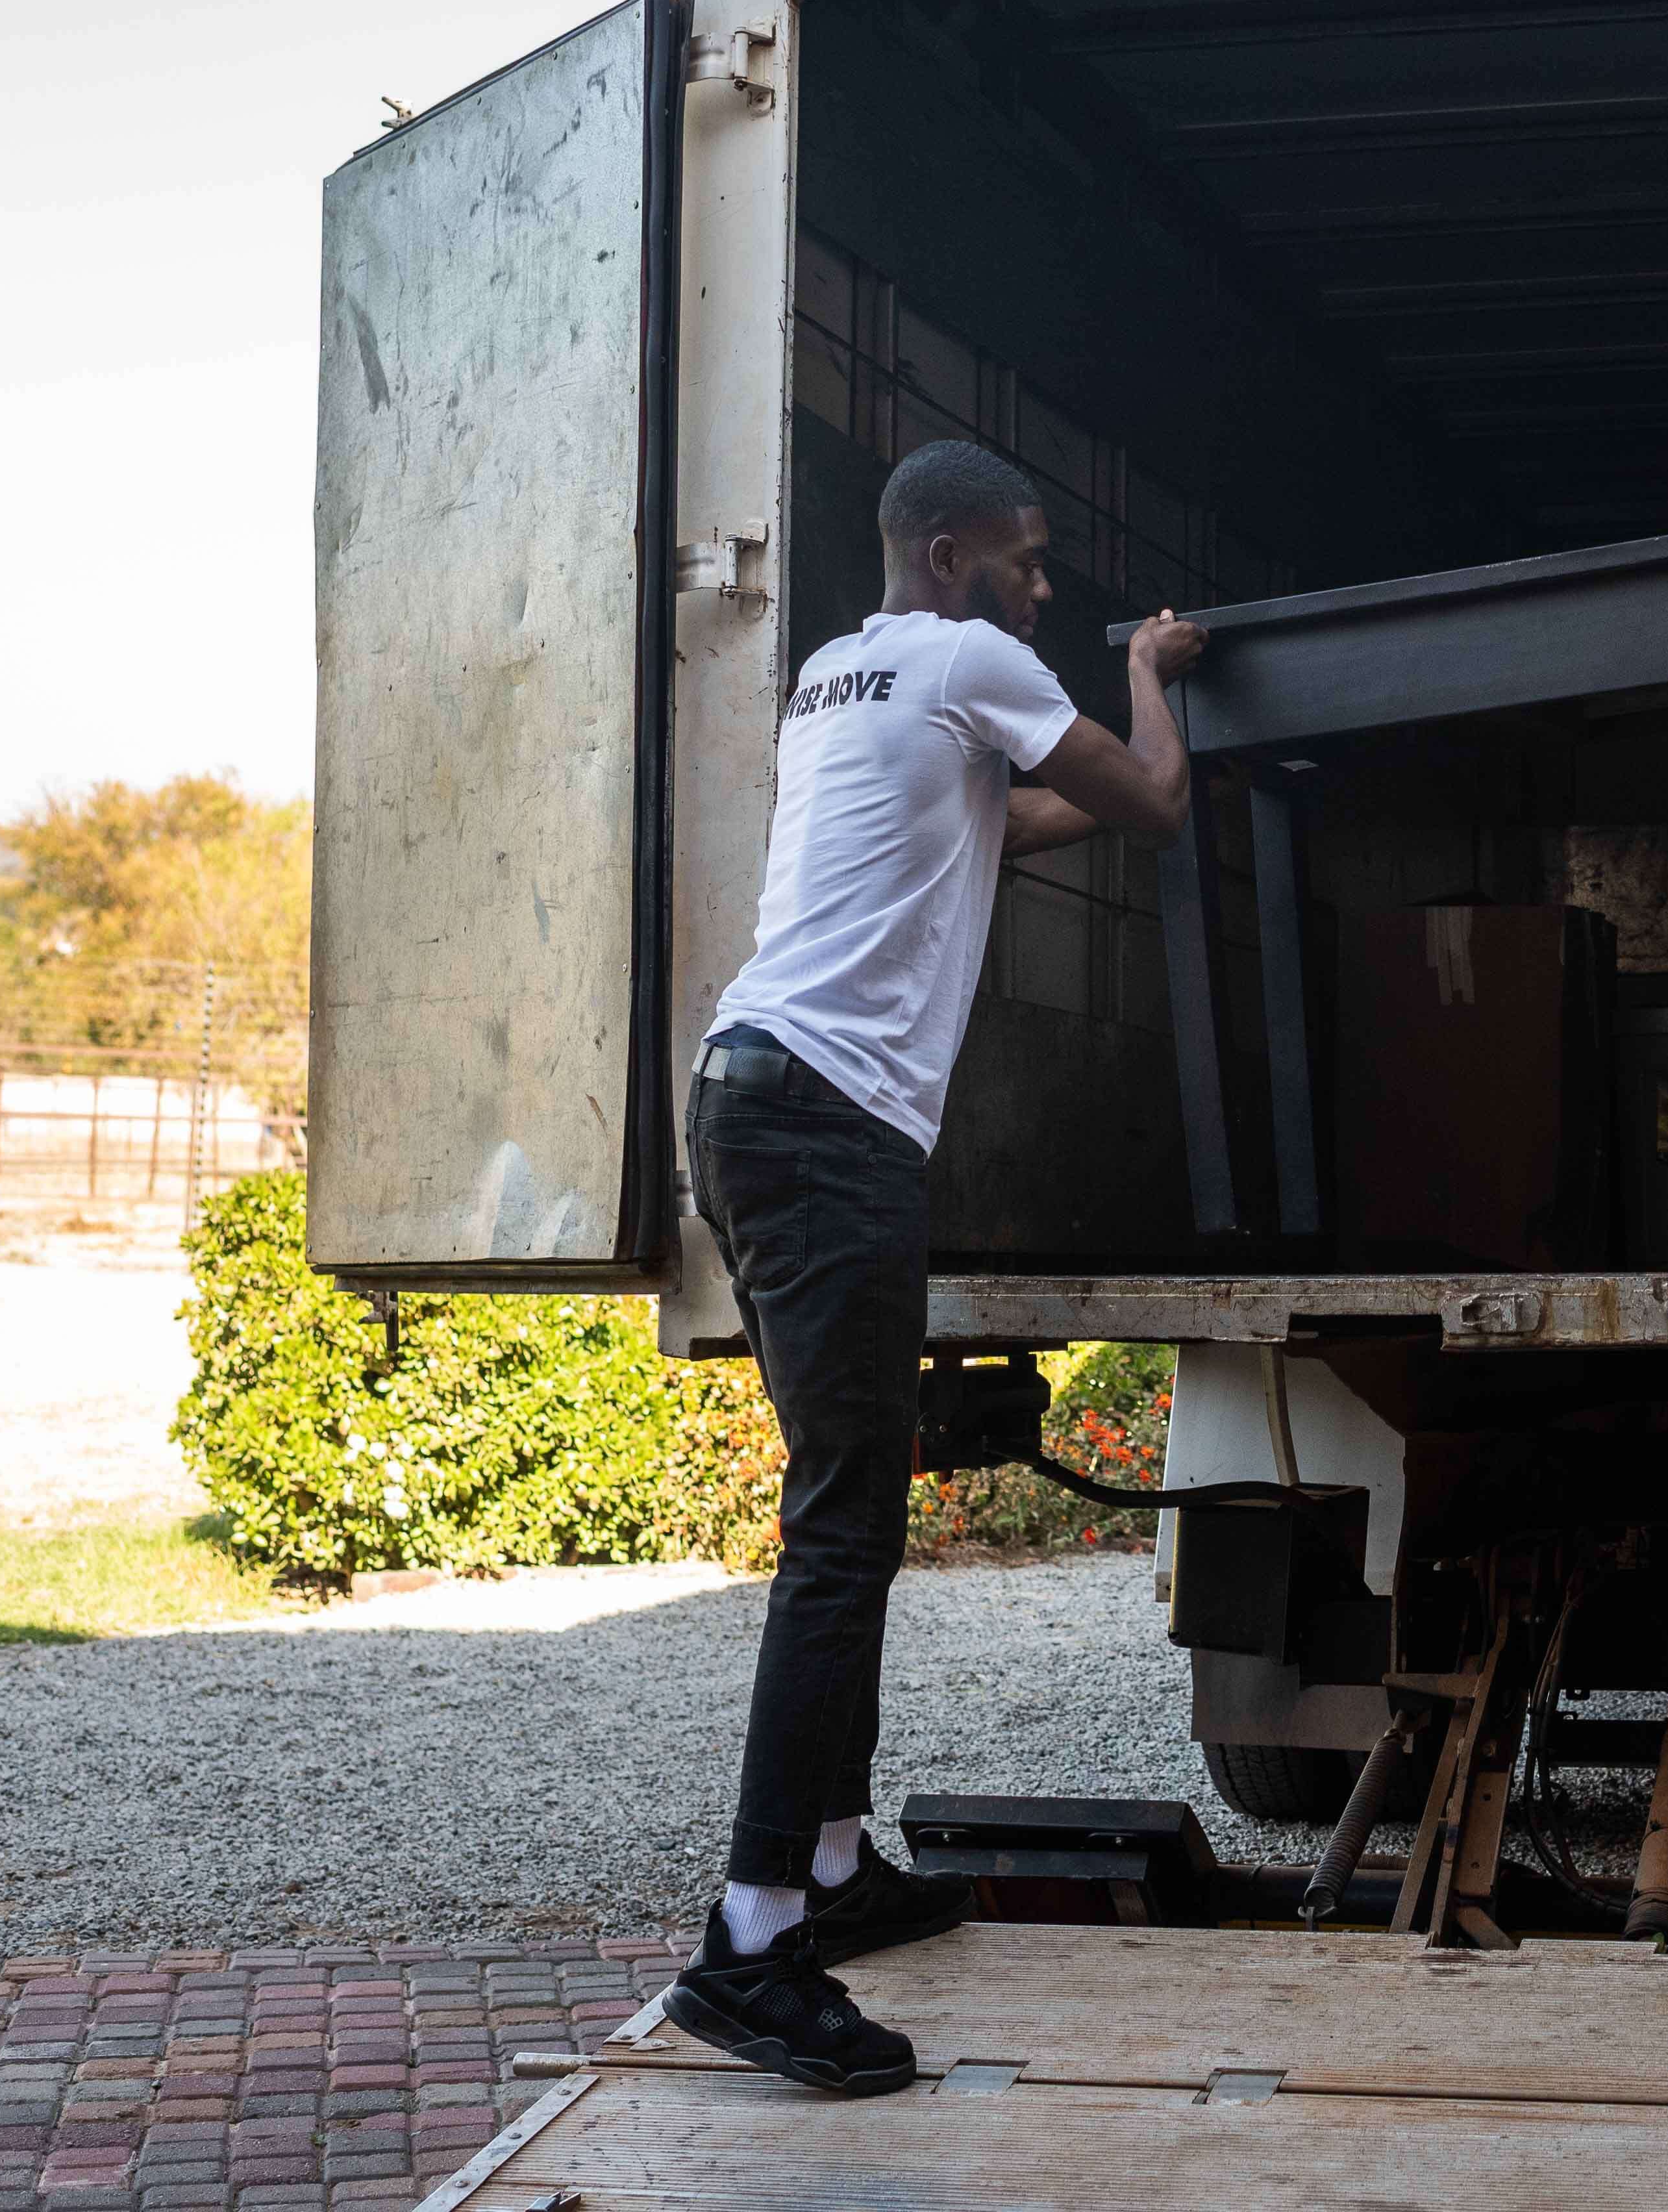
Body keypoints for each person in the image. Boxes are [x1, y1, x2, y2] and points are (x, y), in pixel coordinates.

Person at [664, 437, 1208, 2094]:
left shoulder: (840, 674)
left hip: (744, 1096)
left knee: (854, 1508)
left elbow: (996, 820)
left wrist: (1077, 727)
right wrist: (1146, 676)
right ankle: (753, 1941)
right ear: (959, 553)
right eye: (1031, 561)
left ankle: (832, 1871)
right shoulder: (978, 657)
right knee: (839, 1533)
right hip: (829, 1128)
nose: (1046, 586)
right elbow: (1150, 804)